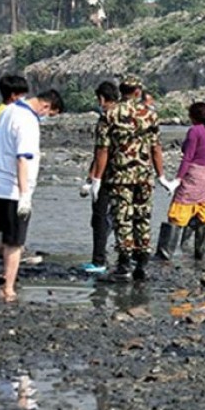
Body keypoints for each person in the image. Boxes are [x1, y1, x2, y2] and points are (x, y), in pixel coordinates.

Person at [0, 89, 64, 302]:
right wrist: (24, 195)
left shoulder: (9, 110)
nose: (45, 119)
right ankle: (8, 288)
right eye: (49, 115)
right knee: (15, 242)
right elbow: (23, 158)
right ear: (46, 106)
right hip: (13, 186)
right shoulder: (28, 121)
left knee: (5, 229)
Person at [94, 77, 174, 280]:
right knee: (142, 217)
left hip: (120, 176)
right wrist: (161, 175)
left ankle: (124, 264)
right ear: (138, 91)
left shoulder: (109, 114)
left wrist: (96, 178)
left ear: (122, 91)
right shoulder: (150, 115)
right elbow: (156, 147)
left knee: (123, 219)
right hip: (144, 176)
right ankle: (142, 262)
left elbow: (102, 149)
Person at [155, 102, 205, 261]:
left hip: (193, 176)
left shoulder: (195, 131)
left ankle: (165, 253)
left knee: (178, 212)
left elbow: (188, 158)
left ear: (193, 117)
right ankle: (200, 253)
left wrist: (177, 179)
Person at [79, 81, 119, 273]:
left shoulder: (106, 119)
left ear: (102, 99)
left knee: (100, 217)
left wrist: (93, 179)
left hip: (107, 175)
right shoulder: (132, 116)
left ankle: (99, 261)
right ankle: (128, 260)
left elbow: (101, 151)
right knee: (124, 218)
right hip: (129, 175)